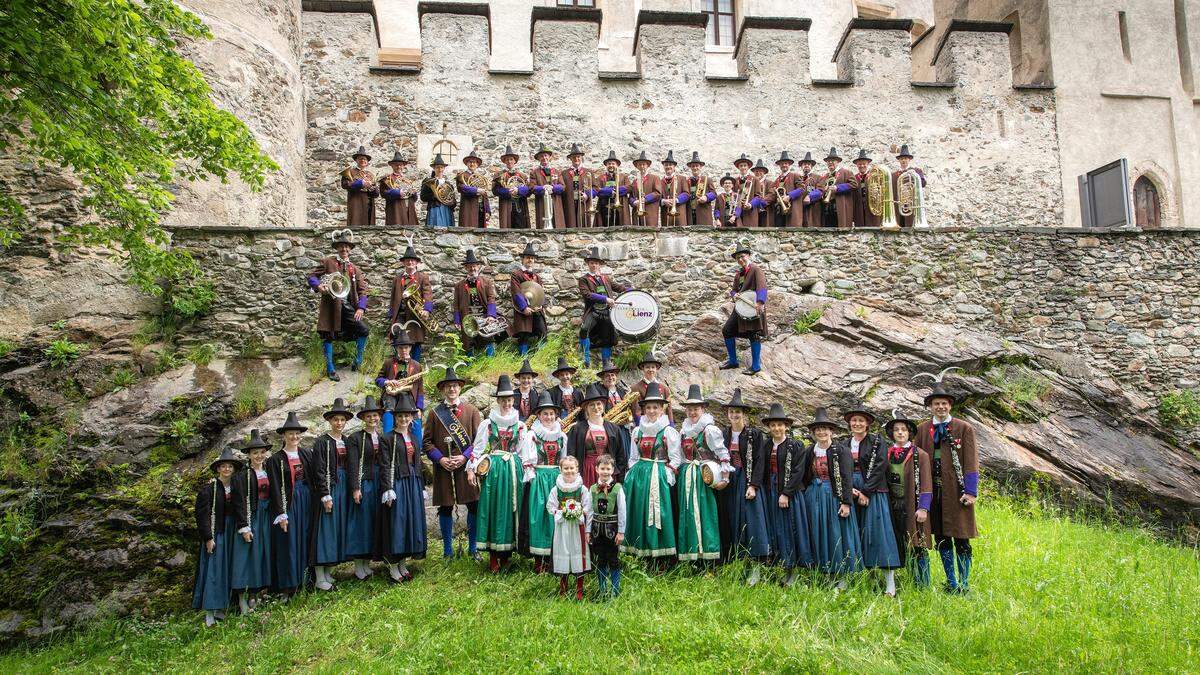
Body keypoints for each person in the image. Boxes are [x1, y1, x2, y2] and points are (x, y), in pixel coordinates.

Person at [915, 381, 979, 593]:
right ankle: (952, 582)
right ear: (930, 407)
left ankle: (965, 583)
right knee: (942, 537)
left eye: (944, 403)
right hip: (934, 493)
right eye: (936, 404)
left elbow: (971, 461)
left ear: (950, 405)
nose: (940, 407)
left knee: (961, 537)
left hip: (957, 492)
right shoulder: (922, 430)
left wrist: (971, 491)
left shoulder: (964, 428)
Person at [469, 375, 529, 572]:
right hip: (494, 471)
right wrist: (473, 468)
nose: (506, 403)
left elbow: (522, 451)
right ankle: (494, 556)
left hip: (512, 469)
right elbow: (477, 450)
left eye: (509, 400)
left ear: (514, 401)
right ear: (498, 401)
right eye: (503, 400)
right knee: (494, 509)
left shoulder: (520, 425)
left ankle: (507, 555)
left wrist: (523, 470)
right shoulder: (487, 424)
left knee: (511, 510)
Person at [424, 367, 483, 560]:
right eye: (448, 386)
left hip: (467, 467)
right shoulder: (434, 413)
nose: (452, 389)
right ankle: (447, 551)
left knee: (473, 505)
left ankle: (473, 549)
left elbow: (479, 440)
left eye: (455, 386)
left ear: (460, 388)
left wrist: (465, 457)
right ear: (443, 390)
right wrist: (440, 459)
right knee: (446, 507)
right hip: (444, 467)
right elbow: (426, 442)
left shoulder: (472, 411)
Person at [843, 403, 901, 596]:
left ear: (867, 423)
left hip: (874, 492)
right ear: (849, 423)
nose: (857, 423)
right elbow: (842, 469)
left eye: (861, 420)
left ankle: (890, 584)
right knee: (853, 533)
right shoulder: (844, 444)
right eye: (854, 420)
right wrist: (849, 489)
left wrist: (866, 492)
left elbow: (880, 466)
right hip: (850, 491)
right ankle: (854, 579)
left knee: (879, 535)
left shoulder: (877, 442)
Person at [622, 383, 681, 567]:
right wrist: (632, 474)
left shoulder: (668, 431)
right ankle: (641, 553)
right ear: (643, 409)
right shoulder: (638, 431)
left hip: (659, 477)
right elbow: (633, 456)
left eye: (655, 407)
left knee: (659, 515)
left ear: (662, 408)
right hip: (639, 478)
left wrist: (667, 475)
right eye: (648, 407)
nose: (652, 411)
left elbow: (675, 458)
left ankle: (660, 556)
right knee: (639, 513)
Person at [802, 408, 861, 588]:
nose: (821, 432)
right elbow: (804, 474)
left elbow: (846, 477)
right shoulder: (810, 451)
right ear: (813, 433)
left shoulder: (841, 451)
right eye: (818, 429)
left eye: (825, 428)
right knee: (819, 534)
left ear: (831, 431)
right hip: (814, 497)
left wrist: (846, 502)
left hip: (834, 497)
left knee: (837, 535)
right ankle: (826, 574)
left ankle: (842, 578)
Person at [718, 389, 770, 581]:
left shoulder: (754, 435)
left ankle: (755, 567)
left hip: (746, 481)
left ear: (744, 414)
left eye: (737, 412)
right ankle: (738, 565)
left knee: (752, 522)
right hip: (729, 482)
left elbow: (759, 460)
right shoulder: (724, 433)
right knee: (732, 520)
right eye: (731, 412)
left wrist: (753, 485)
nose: (734, 415)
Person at [675, 385, 731, 565]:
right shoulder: (683, 431)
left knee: (706, 515)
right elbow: (682, 457)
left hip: (705, 478)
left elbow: (723, 454)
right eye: (689, 409)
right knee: (689, 515)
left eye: (696, 409)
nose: (692, 412)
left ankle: (709, 558)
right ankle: (691, 557)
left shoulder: (709, 430)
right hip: (687, 478)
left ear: (703, 409)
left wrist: (725, 478)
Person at [760, 404, 814, 587]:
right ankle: (785, 569)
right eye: (773, 425)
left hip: (790, 493)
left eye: (780, 425)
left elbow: (798, 471)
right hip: (771, 491)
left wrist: (786, 493)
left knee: (792, 529)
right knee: (778, 530)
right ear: (769, 427)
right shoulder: (766, 445)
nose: (776, 428)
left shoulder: (795, 445)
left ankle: (796, 572)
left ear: (786, 426)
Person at [307, 230, 369, 381]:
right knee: (328, 335)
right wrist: (319, 286)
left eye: (347, 247)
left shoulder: (354, 268)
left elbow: (363, 290)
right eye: (341, 246)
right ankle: (330, 369)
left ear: (350, 249)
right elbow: (311, 276)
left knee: (363, 330)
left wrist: (361, 307)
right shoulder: (328, 262)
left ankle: (357, 360)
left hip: (348, 307)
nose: (344, 249)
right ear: (337, 248)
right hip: (331, 306)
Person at [378, 392, 427, 582]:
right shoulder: (387, 438)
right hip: (397, 484)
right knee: (396, 523)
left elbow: (418, 464)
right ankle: (393, 565)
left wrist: (421, 486)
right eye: (400, 416)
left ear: (411, 417)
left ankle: (403, 563)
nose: (404, 419)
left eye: (407, 415)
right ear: (395, 418)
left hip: (413, 483)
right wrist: (387, 488)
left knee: (410, 523)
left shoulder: (414, 439)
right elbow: (384, 464)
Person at [266, 412, 314, 599]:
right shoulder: (275, 460)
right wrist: (281, 512)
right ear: (284, 436)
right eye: (290, 434)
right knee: (289, 542)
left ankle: (305, 580)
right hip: (289, 503)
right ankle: (288, 585)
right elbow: (276, 488)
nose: (294, 437)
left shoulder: (305, 453)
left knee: (305, 538)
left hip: (306, 500)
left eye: (297, 433)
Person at [193, 447, 242, 626]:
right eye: (223, 466)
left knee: (227, 569)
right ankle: (209, 613)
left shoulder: (237, 486)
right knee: (214, 570)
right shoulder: (209, 489)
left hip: (232, 532)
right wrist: (208, 537)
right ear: (218, 469)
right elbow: (202, 515)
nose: (227, 469)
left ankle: (221, 608)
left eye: (230, 466)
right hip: (218, 533)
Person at [884, 409, 933, 589]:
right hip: (893, 504)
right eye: (896, 430)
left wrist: (923, 508)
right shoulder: (887, 453)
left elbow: (927, 483)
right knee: (896, 541)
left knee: (917, 542)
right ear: (892, 433)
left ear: (909, 433)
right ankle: (900, 579)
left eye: (903, 429)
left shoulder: (920, 455)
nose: (900, 433)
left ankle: (922, 582)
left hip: (913, 504)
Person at [311, 398, 353, 590]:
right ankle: (320, 576)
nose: (339, 423)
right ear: (330, 421)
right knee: (325, 530)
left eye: (342, 420)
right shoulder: (322, 442)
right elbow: (318, 470)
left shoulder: (347, 440)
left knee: (336, 528)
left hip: (344, 487)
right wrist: (325, 494)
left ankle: (328, 572)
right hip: (330, 487)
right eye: (336, 419)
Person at [231, 430, 272, 614]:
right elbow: (238, 502)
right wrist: (243, 526)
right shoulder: (242, 476)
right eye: (255, 453)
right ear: (249, 455)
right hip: (251, 518)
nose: (259, 456)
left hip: (266, 516)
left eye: (262, 452)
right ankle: (242, 600)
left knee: (261, 556)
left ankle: (256, 594)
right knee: (246, 558)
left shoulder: (268, 470)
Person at [526, 391, 567, 573]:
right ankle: (539, 559)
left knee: (556, 517)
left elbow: (564, 461)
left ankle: (555, 558)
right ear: (539, 416)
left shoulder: (562, 436)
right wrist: (534, 479)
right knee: (541, 516)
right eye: (545, 414)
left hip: (557, 478)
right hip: (540, 477)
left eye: (551, 413)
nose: (549, 417)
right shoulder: (532, 435)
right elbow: (528, 461)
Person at [345, 396, 386, 579]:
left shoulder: (383, 437)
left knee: (374, 521)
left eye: (375, 415)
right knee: (361, 522)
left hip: (380, 482)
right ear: (363, 418)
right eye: (369, 416)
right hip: (365, 482)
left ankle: (368, 561)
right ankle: (358, 564)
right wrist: (355, 487)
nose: (372, 419)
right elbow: (353, 464)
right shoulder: (356, 438)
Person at [577, 246, 631, 367]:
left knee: (607, 338)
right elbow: (587, 295)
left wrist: (633, 291)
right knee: (584, 330)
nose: (594, 265)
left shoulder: (605, 278)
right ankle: (585, 360)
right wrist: (605, 299)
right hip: (593, 311)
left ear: (599, 265)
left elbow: (618, 287)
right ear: (588, 264)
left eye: (596, 263)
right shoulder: (583, 279)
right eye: (591, 263)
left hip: (607, 312)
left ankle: (606, 365)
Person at [719, 242, 768, 376]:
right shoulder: (739, 274)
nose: (740, 259)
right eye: (737, 258)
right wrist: (735, 295)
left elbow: (762, 286)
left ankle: (756, 366)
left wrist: (760, 302)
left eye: (742, 256)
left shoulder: (756, 269)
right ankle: (733, 361)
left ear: (748, 255)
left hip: (753, 306)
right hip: (741, 307)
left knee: (754, 333)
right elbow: (734, 291)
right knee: (727, 330)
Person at [546, 455, 591, 599]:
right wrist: (562, 513)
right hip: (563, 527)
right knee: (563, 553)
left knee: (578, 552)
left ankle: (579, 589)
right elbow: (550, 506)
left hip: (577, 527)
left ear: (577, 469)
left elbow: (588, 507)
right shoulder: (556, 489)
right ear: (560, 469)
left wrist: (577, 512)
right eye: (566, 468)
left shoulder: (582, 488)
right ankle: (563, 588)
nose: (569, 471)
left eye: (572, 468)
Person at [568, 383, 629, 486]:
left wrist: (619, 476)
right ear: (586, 408)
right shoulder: (577, 429)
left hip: (607, 471)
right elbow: (571, 454)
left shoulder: (614, 428)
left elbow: (621, 455)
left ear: (603, 406)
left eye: (598, 404)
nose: (596, 407)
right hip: (587, 471)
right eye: (592, 405)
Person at [386, 244, 433, 363]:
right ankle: (400, 366)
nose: (410, 262)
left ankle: (414, 367)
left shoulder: (422, 277)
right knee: (398, 339)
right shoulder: (397, 279)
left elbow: (427, 294)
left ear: (416, 262)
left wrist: (427, 310)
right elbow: (393, 298)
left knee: (416, 340)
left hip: (415, 314)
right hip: (400, 314)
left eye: (412, 260)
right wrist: (391, 314)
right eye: (407, 260)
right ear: (404, 262)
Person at [589, 454, 626, 599]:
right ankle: (602, 589)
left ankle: (615, 591)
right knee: (600, 559)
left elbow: (622, 511)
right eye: (602, 468)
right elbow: (590, 511)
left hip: (612, 530)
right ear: (597, 469)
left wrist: (621, 532)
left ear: (613, 470)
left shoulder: (617, 488)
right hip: (597, 530)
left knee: (613, 560)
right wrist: (588, 531)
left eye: (608, 469)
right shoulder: (592, 488)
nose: (605, 472)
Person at [376, 329, 425, 437]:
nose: (403, 350)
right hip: (391, 395)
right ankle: (387, 440)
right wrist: (388, 382)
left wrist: (420, 407)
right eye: (400, 347)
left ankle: (418, 448)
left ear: (410, 348)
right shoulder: (388, 363)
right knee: (389, 408)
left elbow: (420, 389)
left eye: (406, 347)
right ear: (396, 348)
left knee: (416, 415)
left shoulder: (417, 365)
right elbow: (378, 380)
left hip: (409, 396)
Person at [452, 249, 499, 358]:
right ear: (466, 268)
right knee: (468, 342)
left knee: (488, 338)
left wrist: (491, 315)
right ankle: (469, 365)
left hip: (484, 316)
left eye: (474, 266)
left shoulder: (486, 282)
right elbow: (456, 304)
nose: (472, 268)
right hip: (467, 318)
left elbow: (491, 298)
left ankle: (490, 362)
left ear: (478, 266)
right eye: (469, 266)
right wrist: (457, 320)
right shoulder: (459, 285)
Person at [508, 242, 547, 356]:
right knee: (523, 335)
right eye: (527, 258)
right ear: (523, 259)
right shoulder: (516, 274)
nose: (530, 260)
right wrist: (524, 307)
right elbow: (516, 292)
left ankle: (541, 358)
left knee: (542, 333)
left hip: (536, 310)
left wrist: (541, 304)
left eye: (532, 258)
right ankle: (523, 361)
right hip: (522, 311)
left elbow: (540, 293)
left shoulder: (537, 277)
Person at [814, 147, 857, 229]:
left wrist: (837, 188)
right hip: (827, 207)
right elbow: (821, 189)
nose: (830, 162)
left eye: (833, 160)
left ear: (838, 162)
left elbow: (854, 184)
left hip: (839, 207)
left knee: (841, 230)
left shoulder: (846, 172)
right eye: (828, 161)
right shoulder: (825, 176)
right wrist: (824, 190)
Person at [528, 144, 565, 229]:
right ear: (538, 159)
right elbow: (532, 187)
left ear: (549, 157)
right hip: (542, 202)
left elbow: (563, 186)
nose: (544, 158)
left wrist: (552, 188)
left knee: (558, 226)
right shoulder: (534, 172)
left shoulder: (556, 171)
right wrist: (543, 188)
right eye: (541, 156)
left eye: (545, 155)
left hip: (555, 202)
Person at [630, 351, 673, 425]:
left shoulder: (664, 388)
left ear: (656, 369)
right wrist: (641, 427)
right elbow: (636, 410)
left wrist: (671, 425)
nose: (650, 370)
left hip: (663, 425)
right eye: (647, 367)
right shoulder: (635, 388)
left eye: (653, 367)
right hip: (645, 424)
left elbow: (669, 409)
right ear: (643, 369)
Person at [340, 145, 377, 227]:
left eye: (365, 159)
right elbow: (345, 184)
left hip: (368, 202)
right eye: (360, 158)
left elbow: (376, 193)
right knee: (355, 223)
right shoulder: (350, 171)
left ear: (367, 162)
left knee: (368, 225)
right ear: (356, 160)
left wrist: (372, 188)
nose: (363, 160)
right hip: (355, 201)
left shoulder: (370, 175)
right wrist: (361, 183)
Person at [493, 145, 530, 229]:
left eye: (511, 159)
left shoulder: (522, 175)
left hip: (519, 204)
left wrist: (518, 190)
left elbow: (528, 189)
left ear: (514, 161)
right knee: (507, 226)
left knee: (520, 226)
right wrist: (507, 191)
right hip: (506, 203)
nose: (509, 161)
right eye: (507, 160)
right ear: (504, 162)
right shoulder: (498, 174)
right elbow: (495, 190)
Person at [892, 144, 927, 228]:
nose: (903, 160)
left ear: (909, 159)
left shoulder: (916, 171)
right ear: (899, 160)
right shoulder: (894, 174)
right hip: (898, 204)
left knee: (911, 224)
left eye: (905, 158)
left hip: (912, 204)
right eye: (901, 159)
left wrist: (915, 176)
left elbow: (923, 183)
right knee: (899, 223)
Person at [380, 151, 419, 227]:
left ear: (403, 166)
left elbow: (415, 199)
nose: (399, 167)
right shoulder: (387, 179)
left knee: (411, 230)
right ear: (392, 166)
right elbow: (383, 193)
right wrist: (398, 192)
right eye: (396, 165)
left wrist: (414, 193)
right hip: (396, 208)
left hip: (409, 208)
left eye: (401, 165)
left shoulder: (407, 180)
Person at [455, 150, 491, 228]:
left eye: (474, 162)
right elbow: (462, 188)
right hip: (469, 206)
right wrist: (477, 190)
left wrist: (488, 211)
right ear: (467, 163)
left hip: (481, 208)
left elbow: (485, 194)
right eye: (470, 162)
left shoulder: (480, 177)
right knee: (468, 228)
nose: (472, 164)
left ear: (477, 164)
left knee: (481, 231)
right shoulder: (461, 175)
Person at [594, 151, 630, 227]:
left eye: (613, 163)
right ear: (606, 165)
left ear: (617, 165)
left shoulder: (623, 177)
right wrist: (609, 191)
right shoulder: (601, 177)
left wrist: (615, 191)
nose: (611, 165)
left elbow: (628, 188)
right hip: (604, 206)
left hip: (620, 206)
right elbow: (597, 189)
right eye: (609, 164)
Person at [420, 153, 456, 228]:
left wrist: (452, 202)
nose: (440, 169)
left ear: (444, 168)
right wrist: (435, 196)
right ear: (434, 168)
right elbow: (423, 197)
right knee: (435, 230)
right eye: (437, 167)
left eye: (441, 167)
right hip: (435, 208)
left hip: (447, 210)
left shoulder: (448, 184)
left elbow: (453, 199)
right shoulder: (428, 181)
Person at [562, 143, 593, 229]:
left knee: (584, 225)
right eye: (574, 157)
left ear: (581, 157)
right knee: (570, 225)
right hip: (569, 203)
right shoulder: (564, 173)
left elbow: (595, 188)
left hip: (584, 203)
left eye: (578, 157)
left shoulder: (588, 172)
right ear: (570, 159)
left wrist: (587, 195)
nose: (576, 159)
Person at [627, 150, 661, 227]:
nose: (642, 166)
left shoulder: (654, 178)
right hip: (637, 212)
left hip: (650, 212)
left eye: (643, 164)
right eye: (639, 165)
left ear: (647, 166)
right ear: (637, 167)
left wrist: (644, 199)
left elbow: (657, 193)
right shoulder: (635, 181)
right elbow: (631, 197)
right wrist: (634, 202)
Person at [850, 150, 882, 228]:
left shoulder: (874, 176)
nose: (862, 166)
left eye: (864, 164)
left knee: (873, 227)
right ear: (857, 165)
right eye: (859, 164)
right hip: (859, 207)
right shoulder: (854, 177)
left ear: (867, 164)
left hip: (872, 207)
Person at [684, 152, 717, 227]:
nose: (695, 168)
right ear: (690, 168)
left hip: (703, 212)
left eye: (697, 166)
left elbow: (714, 193)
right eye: (693, 166)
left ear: (700, 167)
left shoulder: (707, 179)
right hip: (690, 212)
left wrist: (706, 197)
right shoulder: (687, 181)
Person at [659, 150, 688, 228]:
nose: (668, 167)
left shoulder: (682, 179)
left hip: (679, 214)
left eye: (670, 165)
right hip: (666, 215)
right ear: (663, 167)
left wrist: (676, 200)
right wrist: (663, 201)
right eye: (666, 165)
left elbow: (686, 194)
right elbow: (657, 197)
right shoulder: (660, 181)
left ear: (674, 166)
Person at [729, 154, 758, 227]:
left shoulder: (754, 179)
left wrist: (750, 204)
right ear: (738, 167)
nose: (743, 167)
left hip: (750, 212)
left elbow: (759, 197)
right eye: (741, 166)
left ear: (748, 167)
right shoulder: (735, 181)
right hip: (737, 212)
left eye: (745, 165)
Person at [796, 152, 824, 228]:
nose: (806, 166)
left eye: (808, 164)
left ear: (811, 166)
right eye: (804, 164)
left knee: (812, 225)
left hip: (813, 207)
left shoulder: (818, 177)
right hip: (800, 207)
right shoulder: (799, 178)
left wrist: (810, 196)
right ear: (801, 166)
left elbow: (821, 190)